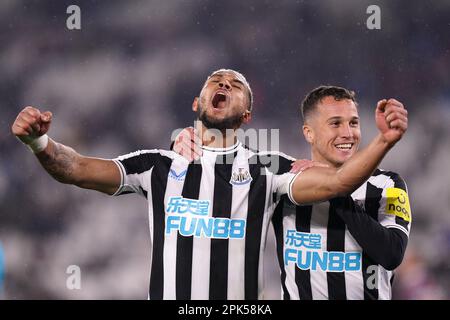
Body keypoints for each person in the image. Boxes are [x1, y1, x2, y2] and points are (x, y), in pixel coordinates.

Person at [12, 69, 407, 300]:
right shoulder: (157, 165)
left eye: (235, 85)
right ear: (197, 104)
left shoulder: (267, 168)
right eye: (215, 81)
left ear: (248, 114)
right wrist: (39, 142)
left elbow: (339, 180)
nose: (223, 84)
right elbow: (77, 168)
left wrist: (384, 140)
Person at [272, 86, 411, 300]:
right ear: (309, 133)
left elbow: (391, 254)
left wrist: (335, 187)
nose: (347, 133)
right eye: (335, 123)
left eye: (353, 123)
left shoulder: (387, 183)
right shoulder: (286, 181)